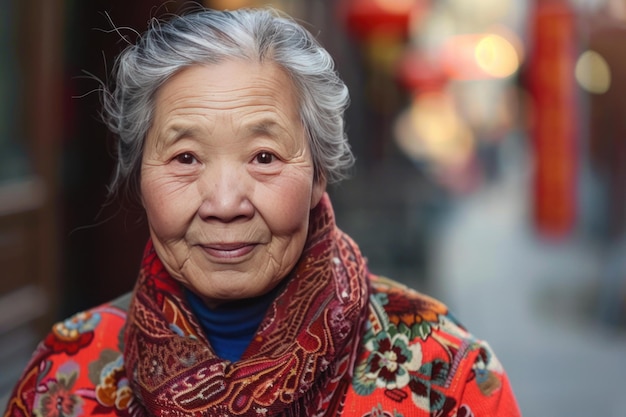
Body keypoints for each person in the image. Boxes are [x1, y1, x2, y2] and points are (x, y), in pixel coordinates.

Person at [3, 7, 521, 417]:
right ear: (141, 175)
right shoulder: (67, 376)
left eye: (264, 157)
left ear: (319, 172)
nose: (226, 203)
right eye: (186, 158)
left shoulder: (445, 374)